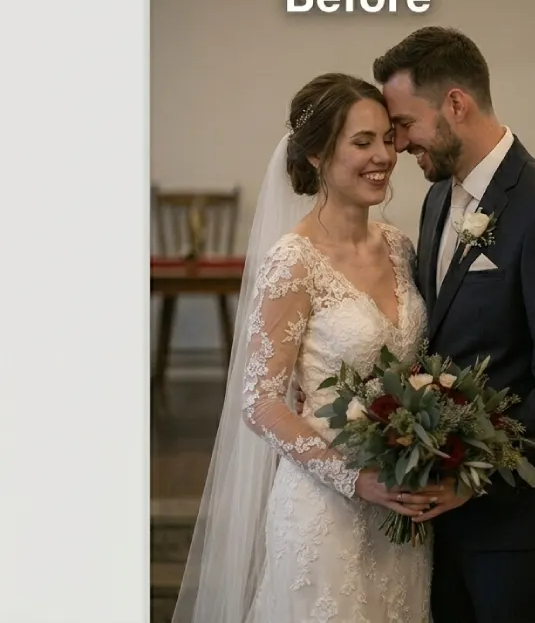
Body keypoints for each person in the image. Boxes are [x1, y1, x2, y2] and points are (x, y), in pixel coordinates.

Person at [173, 73, 454, 622]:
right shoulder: (293, 261)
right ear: (318, 155)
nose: (384, 156)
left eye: (387, 139)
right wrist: (354, 478)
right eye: (362, 142)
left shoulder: (399, 246)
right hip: (325, 511)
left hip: (399, 511)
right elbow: (260, 401)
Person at [373, 26, 535, 623]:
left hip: (517, 523)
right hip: (442, 521)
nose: (399, 143)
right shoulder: (436, 199)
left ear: (455, 104)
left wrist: (472, 479)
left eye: (405, 123)